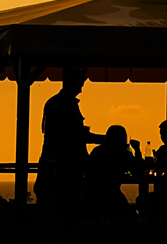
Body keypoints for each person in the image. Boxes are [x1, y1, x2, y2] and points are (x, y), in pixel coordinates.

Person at [34, 67, 105, 211]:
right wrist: (103, 139)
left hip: (53, 164)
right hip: (64, 168)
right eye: (80, 85)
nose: (80, 90)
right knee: (66, 205)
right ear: (72, 83)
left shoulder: (54, 102)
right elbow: (75, 136)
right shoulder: (67, 105)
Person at [84, 125, 144, 214]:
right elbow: (139, 171)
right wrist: (137, 150)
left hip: (90, 197)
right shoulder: (122, 153)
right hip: (111, 196)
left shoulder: (97, 151)